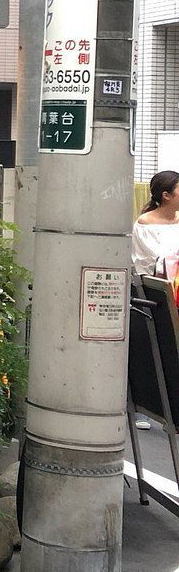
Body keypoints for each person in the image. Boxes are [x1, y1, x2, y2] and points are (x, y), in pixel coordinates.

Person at [129, 170, 179, 433]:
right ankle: (148, 406)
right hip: (155, 295)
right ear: (166, 195)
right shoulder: (145, 223)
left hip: (178, 292)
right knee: (155, 348)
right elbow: (147, 263)